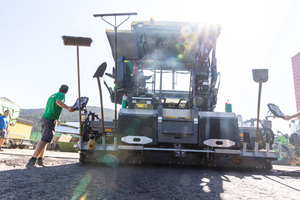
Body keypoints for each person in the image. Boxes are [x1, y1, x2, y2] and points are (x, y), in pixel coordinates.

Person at [26, 85, 74, 168]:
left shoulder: (52, 95)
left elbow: (52, 106)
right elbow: (58, 102)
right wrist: (68, 108)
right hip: (50, 119)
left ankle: (40, 159)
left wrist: (57, 118)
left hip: (45, 118)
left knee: (45, 140)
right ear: (66, 92)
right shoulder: (61, 95)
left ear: (59, 89)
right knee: (44, 140)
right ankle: (32, 160)